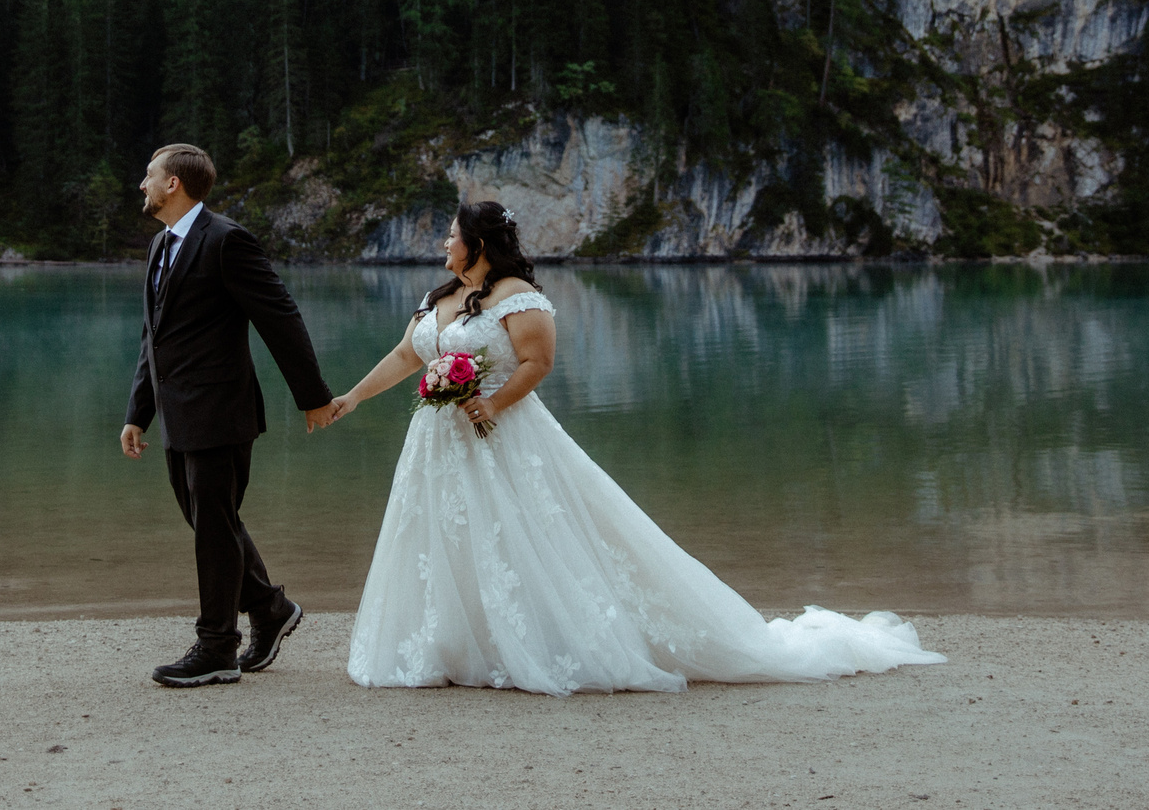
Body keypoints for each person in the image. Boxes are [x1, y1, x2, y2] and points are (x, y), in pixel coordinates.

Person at [318, 199, 945, 694]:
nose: (442, 244)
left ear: (477, 245)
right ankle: (454, 645)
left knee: (527, 536)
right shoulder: (439, 298)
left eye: (450, 235)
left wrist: (492, 402)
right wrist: (351, 397)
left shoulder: (516, 297)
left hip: (500, 433)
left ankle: (536, 642)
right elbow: (407, 354)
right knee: (446, 540)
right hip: (436, 443)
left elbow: (538, 362)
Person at [121, 142, 340, 687]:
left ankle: (218, 645)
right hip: (177, 413)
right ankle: (269, 608)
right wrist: (138, 412)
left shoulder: (226, 240)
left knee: (213, 528)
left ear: (174, 183)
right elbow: (155, 338)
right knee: (210, 523)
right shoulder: (159, 247)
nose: (142, 185)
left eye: (149, 176)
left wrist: (312, 395)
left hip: (221, 408)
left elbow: (279, 315)